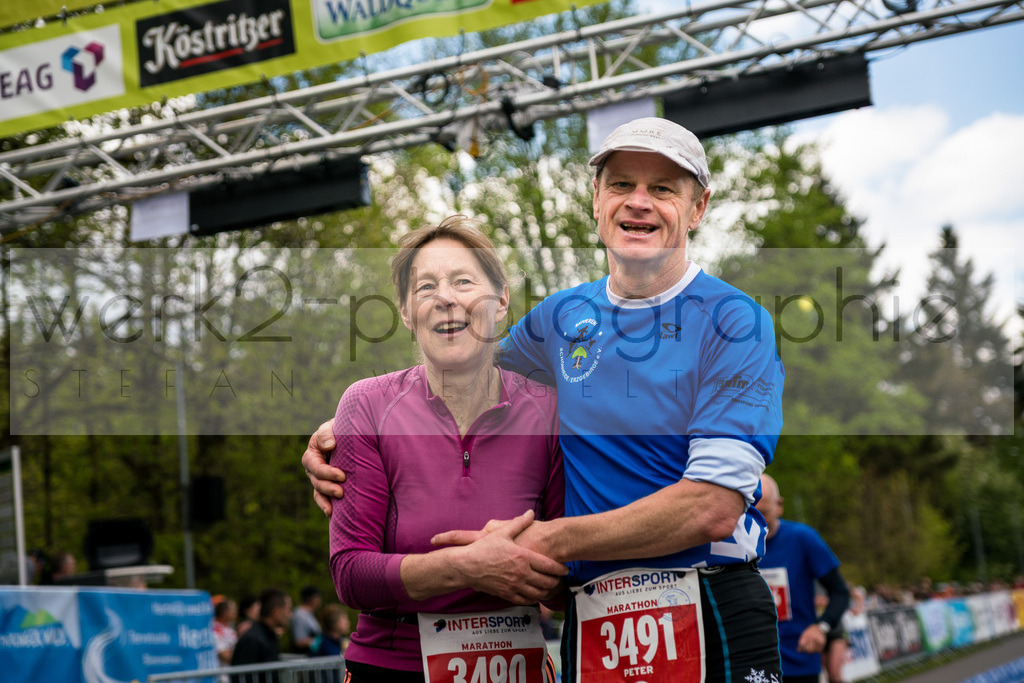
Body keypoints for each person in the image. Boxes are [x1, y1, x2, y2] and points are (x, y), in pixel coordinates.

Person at [304, 117, 786, 682]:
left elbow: (711, 506)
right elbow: (458, 373)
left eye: (662, 189)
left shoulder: (737, 323)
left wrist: (547, 539)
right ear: (596, 199)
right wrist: (343, 427)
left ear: (698, 208)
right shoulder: (561, 317)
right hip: (593, 614)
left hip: (709, 603)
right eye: (621, 184)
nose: (639, 203)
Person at [328, 217, 566, 681]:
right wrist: (464, 566)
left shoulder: (548, 414)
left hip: (517, 666)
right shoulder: (367, 405)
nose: (446, 298)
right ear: (404, 311)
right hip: (391, 665)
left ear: (500, 302)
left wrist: (539, 571)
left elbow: (567, 580)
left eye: (463, 281)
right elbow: (351, 573)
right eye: (425, 287)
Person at [755, 474, 850, 683]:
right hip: (753, 664)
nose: (758, 522)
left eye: (764, 513)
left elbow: (840, 592)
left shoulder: (803, 538)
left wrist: (822, 626)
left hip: (799, 660)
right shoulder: (732, 547)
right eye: (750, 513)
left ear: (779, 506)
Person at [230, 588, 292, 683]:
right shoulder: (252, 640)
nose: (290, 615)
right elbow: (242, 677)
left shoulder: (269, 635)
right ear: (277, 612)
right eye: (288, 610)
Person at [290, 585, 323, 655]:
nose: (319, 600)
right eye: (317, 597)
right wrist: (316, 642)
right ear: (311, 599)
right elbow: (298, 641)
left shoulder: (309, 613)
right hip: (304, 656)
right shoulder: (300, 615)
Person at [213, 597, 239, 666]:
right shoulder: (215, 629)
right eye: (233, 609)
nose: (236, 612)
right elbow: (225, 656)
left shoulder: (230, 628)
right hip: (222, 675)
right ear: (225, 612)